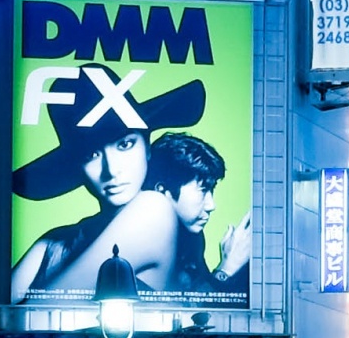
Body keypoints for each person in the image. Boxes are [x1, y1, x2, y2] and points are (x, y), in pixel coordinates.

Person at [11, 67, 207, 299]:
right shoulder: (53, 242)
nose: (111, 170)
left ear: (147, 147)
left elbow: (35, 313)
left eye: (125, 144)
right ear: (77, 166)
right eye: (91, 154)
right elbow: (1, 319)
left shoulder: (154, 209)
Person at [143, 132, 250, 297]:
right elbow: (192, 308)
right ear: (162, 190)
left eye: (211, 190)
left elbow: (203, 302)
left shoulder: (191, 238)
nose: (211, 205)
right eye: (203, 190)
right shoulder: (139, 240)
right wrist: (228, 266)